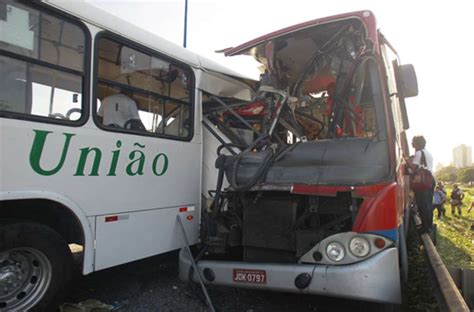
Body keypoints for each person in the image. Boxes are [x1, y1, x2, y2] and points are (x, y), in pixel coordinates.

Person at [405, 135, 435, 234]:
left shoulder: (418, 152)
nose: (411, 143)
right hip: (429, 179)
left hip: (422, 180)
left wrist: (407, 159)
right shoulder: (428, 153)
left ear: (417, 143)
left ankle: (425, 228)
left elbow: (413, 167)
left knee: (422, 205)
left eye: (413, 142)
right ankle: (428, 226)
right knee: (428, 204)